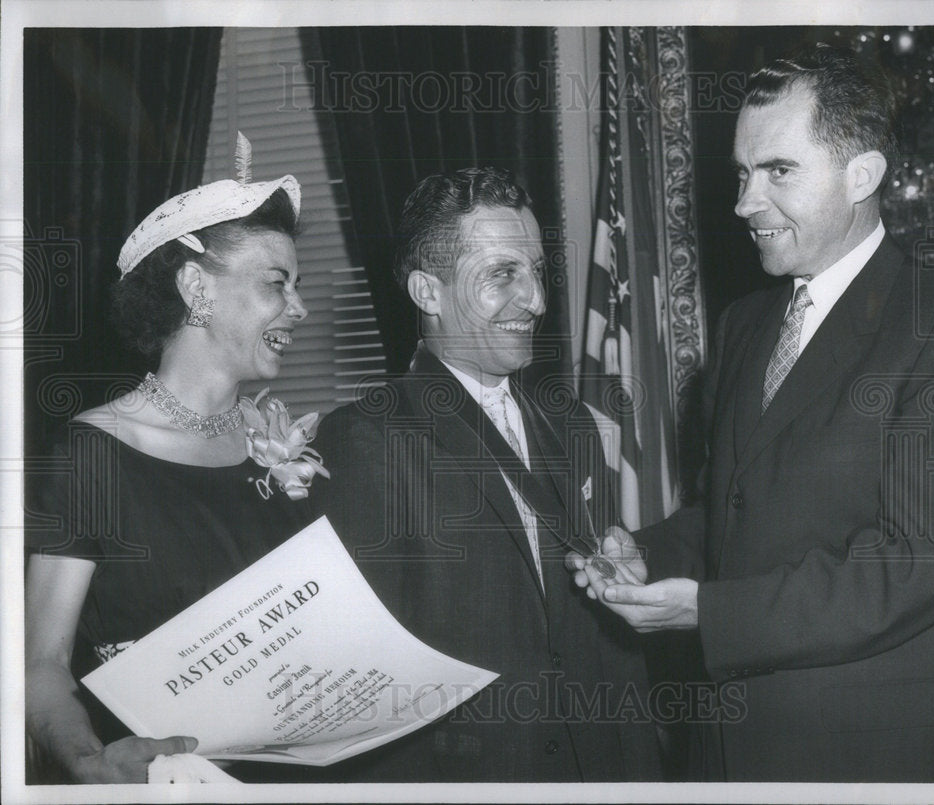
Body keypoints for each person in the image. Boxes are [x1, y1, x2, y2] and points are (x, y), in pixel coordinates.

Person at [569, 44, 934, 782]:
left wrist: (709, 616)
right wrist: (647, 553)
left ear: (864, 174)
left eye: (777, 171)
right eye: (740, 174)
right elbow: (735, 512)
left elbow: (921, 563)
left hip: (859, 758)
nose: (743, 203)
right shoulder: (745, 326)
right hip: (722, 751)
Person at [309, 167, 664, 782]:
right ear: (428, 292)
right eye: (503, 274)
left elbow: (606, 640)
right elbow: (357, 682)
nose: (537, 300)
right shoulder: (360, 440)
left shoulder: (572, 423)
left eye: (537, 272)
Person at [25, 159, 321, 783]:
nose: (300, 307)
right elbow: (40, 661)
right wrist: (87, 763)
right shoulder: (91, 453)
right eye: (277, 283)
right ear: (198, 288)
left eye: (297, 285)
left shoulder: (282, 442)